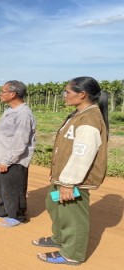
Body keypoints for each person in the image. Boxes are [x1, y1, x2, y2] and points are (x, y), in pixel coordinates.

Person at [34, 76, 108, 266]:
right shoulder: (78, 114)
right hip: (63, 176)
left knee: (73, 216)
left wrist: (68, 182)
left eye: (67, 92)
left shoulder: (90, 118)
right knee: (54, 205)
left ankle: (72, 253)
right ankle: (60, 237)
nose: (64, 95)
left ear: (82, 94)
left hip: (74, 179)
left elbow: (82, 154)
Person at [0, 80, 36, 227]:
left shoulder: (23, 114)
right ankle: (1, 209)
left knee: (13, 188)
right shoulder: (10, 111)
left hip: (13, 159)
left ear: (13, 94)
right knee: (1, 185)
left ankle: (17, 215)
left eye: (3, 91)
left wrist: (8, 160)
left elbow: (20, 141)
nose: (0, 94)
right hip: (2, 156)